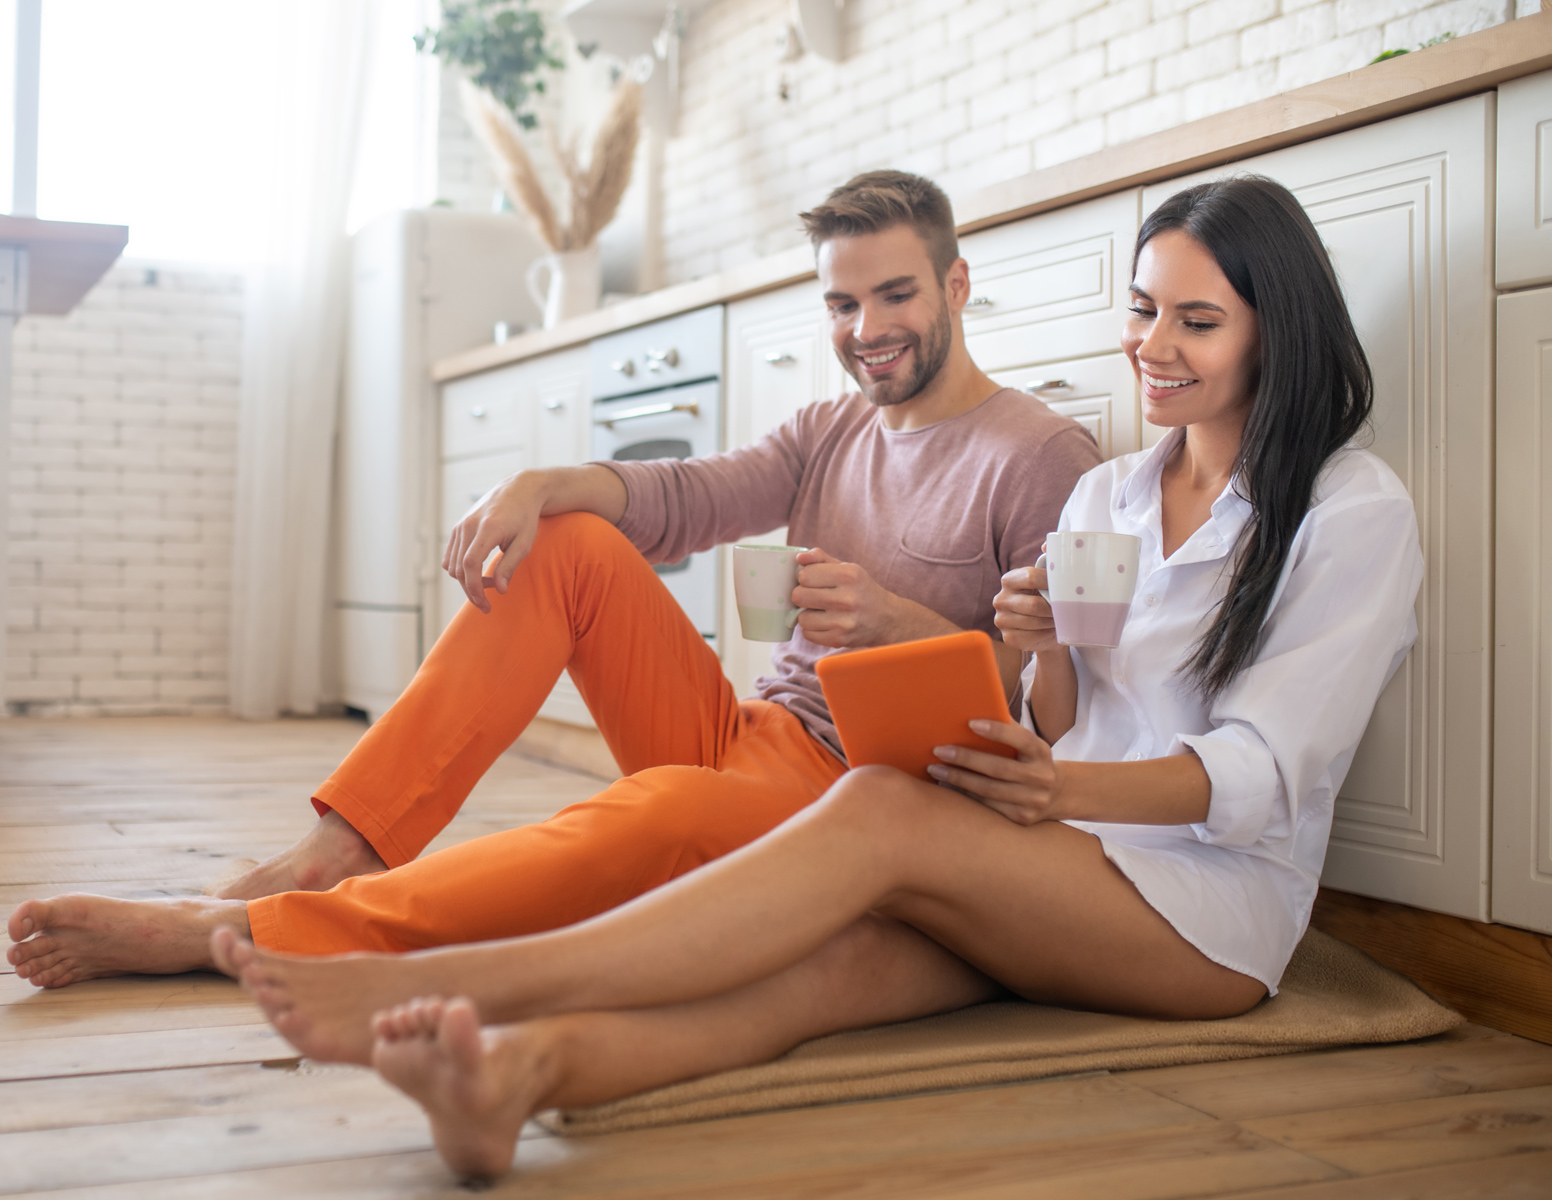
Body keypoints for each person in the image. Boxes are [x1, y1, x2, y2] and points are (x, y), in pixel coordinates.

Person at [212, 174, 1425, 1183]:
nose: (1149, 349)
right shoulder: (1110, 493)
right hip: (1054, 853)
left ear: (1278, 327)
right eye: (1140, 311)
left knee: (873, 811)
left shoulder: (1348, 511)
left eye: (1193, 323)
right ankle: (515, 1074)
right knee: (809, 982)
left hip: (1203, 914)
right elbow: (1059, 714)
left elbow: (1261, 779)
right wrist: (1046, 655)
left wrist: (1048, 789)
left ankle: (443, 980)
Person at [3, 170, 1101, 988]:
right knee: (572, 540)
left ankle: (248, 936)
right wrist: (542, 481)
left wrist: (893, 621)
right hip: (754, 737)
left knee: (652, 809)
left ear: (955, 283)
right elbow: (686, 498)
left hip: (868, 796)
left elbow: (1061, 703)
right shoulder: (826, 429)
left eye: (892, 297)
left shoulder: (1038, 455)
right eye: (837, 305)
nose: (863, 332)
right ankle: (328, 858)